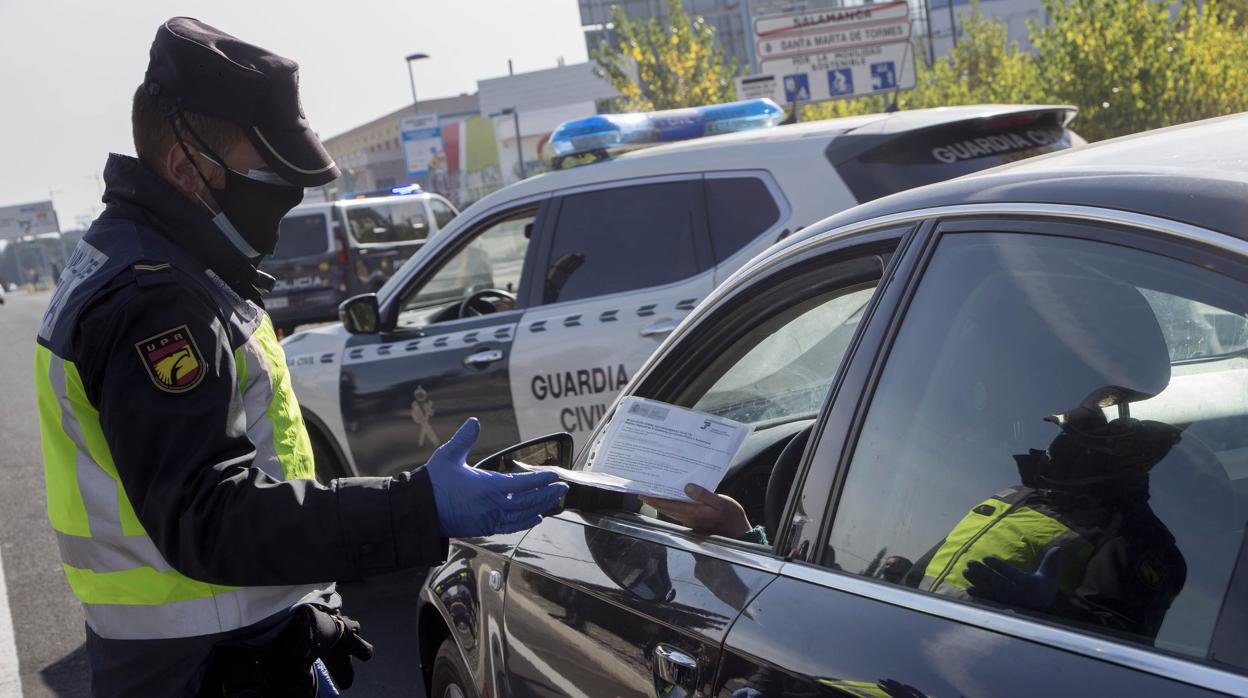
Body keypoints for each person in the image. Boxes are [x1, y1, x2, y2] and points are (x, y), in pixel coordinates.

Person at [34, 18, 566, 697]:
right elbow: (211, 517)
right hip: (207, 670)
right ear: (183, 166)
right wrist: (417, 506)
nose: (287, 196)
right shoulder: (154, 300)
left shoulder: (167, 264)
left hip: (226, 652)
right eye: (267, 175)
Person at [903, 390, 1187, 642]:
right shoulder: (1013, 494)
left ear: (1126, 458)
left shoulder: (1137, 539)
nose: (1059, 446)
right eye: (1065, 435)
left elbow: (1120, 650)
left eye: (1079, 441)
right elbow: (925, 572)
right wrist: (896, 579)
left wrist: (1052, 609)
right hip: (899, 651)